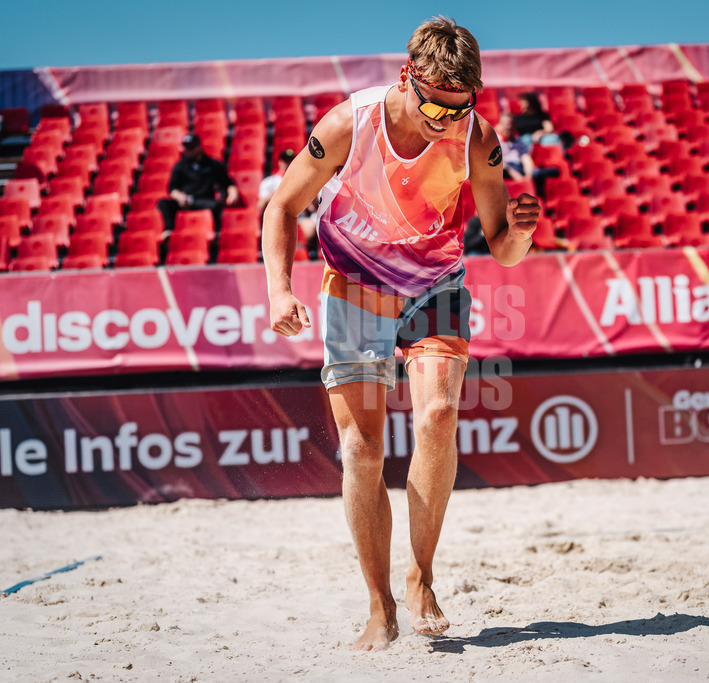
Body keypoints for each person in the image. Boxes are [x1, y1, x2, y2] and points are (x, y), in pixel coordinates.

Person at [262, 16, 540, 652]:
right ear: (407, 75)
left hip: (435, 284)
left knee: (438, 415)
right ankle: (379, 604)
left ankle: (422, 575)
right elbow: (282, 206)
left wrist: (522, 232)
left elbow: (503, 249)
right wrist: (280, 288)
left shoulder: (477, 137)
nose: (447, 121)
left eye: (460, 108)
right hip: (354, 284)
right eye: (436, 107)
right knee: (362, 451)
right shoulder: (349, 123)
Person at [157, 134, 240, 235]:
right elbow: (172, 189)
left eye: (192, 147)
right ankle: (169, 233)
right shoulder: (180, 166)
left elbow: (228, 183)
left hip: (204, 200)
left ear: (199, 146)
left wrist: (232, 193)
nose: (189, 150)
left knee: (216, 206)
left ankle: (216, 234)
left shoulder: (212, 164)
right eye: (187, 147)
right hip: (186, 201)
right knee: (163, 203)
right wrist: (180, 197)